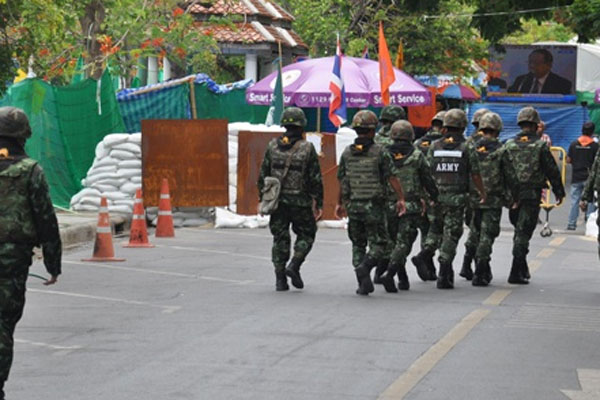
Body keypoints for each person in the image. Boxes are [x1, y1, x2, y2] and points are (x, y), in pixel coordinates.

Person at [0, 106, 61, 400]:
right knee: (2, 325)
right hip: (12, 261)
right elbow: (46, 219)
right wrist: (53, 264)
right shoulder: (31, 171)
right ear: (23, 136)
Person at [412, 109, 487, 289]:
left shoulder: (435, 146)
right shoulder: (468, 146)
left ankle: (425, 253)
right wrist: (482, 192)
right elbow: (475, 173)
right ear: (462, 126)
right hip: (456, 199)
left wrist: (427, 195)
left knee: (435, 229)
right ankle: (444, 273)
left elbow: (427, 171)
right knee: (452, 234)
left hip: (436, 198)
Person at [335, 110, 406, 295]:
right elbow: (392, 177)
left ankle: (362, 282)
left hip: (353, 205)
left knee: (358, 243)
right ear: (373, 130)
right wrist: (400, 198)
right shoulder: (380, 152)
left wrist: (339, 203)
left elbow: (342, 181)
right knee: (380, 243)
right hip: (374, 206)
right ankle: (366, 267)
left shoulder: (347, 153)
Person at [258, 107, 323, 291]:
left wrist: (262, 199)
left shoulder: (272, 146)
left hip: (277, 202)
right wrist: (318, 202)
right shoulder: (307, 148)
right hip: (300, 201)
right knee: (307, 234)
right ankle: (294, 265)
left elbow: (263, 175)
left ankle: (280, 279)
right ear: (302, 125)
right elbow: (315, 178)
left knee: (280, 238)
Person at [504, 106, 565, 284]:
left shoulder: (509, 144)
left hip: (512, 195)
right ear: (535, 124)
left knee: (519, 230)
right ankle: (516, 271)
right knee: (523, 233)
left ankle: (522, 267)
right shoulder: (540, 146)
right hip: (531, 195)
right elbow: (552, 170)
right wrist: (559, 192)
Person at [379, 120, 438, 292]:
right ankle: (390, 275)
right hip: (410, 205)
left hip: (388, 204)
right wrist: (434, 197)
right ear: (411, 136)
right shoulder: (417, 155)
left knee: (394, 242)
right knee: (403, 243)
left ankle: (403, 279)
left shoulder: (383, 154)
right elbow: (427, 179)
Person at [462, 112, 516, 286]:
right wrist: (513, 197)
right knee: (487, 235)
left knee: (475, 232)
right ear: (498, 129)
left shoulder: (470, 147)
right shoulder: (502, 150)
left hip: (472, 199)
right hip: (493, 200)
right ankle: (480, 270)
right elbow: (510, 176)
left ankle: (472, 265)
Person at [372, 105, 407, 283]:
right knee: (398, 237)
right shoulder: (401, 141)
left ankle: (381, 271)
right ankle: (394, 272)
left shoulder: (375, 140)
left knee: (382, 234)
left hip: (377, 192)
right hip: (397, 191)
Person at [413, 110, 446, 280]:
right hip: (438, 192)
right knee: (438, 229)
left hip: (421, 193)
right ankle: (436, 265)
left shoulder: (418, 143)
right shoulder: (442, 143)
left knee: (425, 229)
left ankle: (429, 266)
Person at [462, 107, 490, 279]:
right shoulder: (494, 144)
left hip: (469, 195)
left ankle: (467, 264)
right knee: (485, 232)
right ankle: (481, 266)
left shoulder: (467, 143)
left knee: (474, 230)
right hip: (486, 194)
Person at [567, 122, 598, 230]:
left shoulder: (574, 144)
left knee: (574, 201)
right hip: (589, 178)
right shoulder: (595, 146)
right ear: (592, 132)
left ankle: (571, 223)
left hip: (576, 177)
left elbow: (568, 160)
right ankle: (589, 222)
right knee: (590, 201)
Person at [507, 48, 572, 95]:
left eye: (536, 63)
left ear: (548, 65)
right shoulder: (521, 80)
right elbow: (510, 96)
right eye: (530, 62)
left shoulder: (562, 84)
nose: (532, 65)